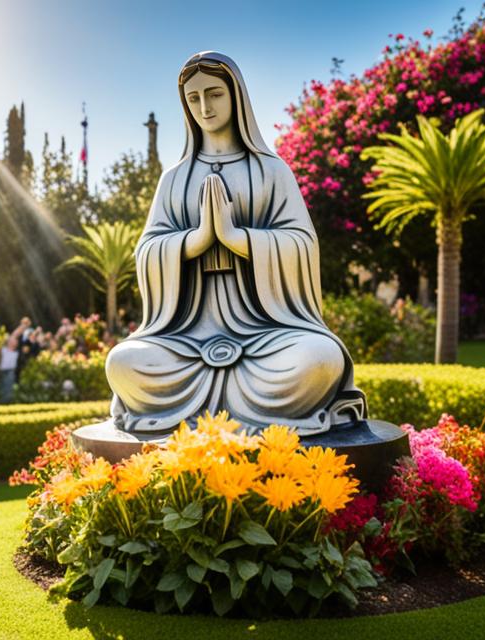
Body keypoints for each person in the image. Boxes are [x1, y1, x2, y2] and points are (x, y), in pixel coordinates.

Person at [105, 52, 363, 436]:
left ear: (236, 96)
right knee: (123, 363)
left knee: (319, 360)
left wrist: (236, 238)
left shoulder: (271, 170)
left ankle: (215, 418)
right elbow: (148, 250)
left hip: (267, 333)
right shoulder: (174, 179)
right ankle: (243, 416)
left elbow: (302, 243)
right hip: (188, 338)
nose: (205, 107)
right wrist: (195, 242)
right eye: (194, 99)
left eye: (214, 94)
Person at [0, 319, 27, 402]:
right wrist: (22, 326)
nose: (13, 341)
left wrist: (24, 326)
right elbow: (14, 335)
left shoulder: (17, 352)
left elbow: (15, 336)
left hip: (10, 372)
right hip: (1, 372)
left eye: (15, 341)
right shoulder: (4, 350)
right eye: (11, 340)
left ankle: (7, 402)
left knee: (8, 391)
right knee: (2, 389)